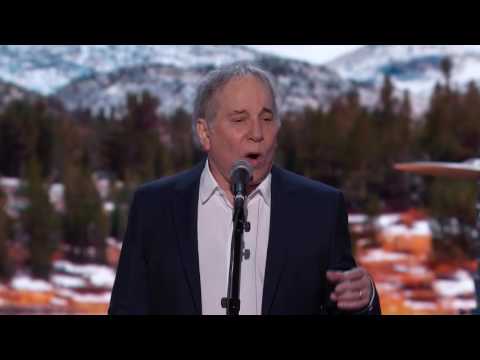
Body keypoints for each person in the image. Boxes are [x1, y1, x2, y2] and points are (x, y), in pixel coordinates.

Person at [108, 62, 381, 315]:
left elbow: (345, 304)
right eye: (239, 120)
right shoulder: (155, 207)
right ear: (205, 133)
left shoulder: (320, 209)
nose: (257, 133)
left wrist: (365, 299)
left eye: (266, 118)